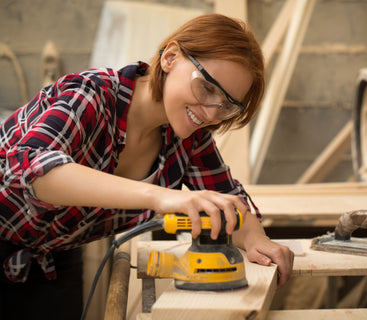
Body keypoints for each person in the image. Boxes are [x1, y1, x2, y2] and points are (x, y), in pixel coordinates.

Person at [0, 13, 294, 319]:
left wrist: (257, 240)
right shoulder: (92, 94)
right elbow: (34, 170)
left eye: (226, 106)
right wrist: (160, 196)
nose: (209, 113)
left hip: (49, 258)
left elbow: (230, 202)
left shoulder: (188, 138)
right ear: (170, 57)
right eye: (206, 88)